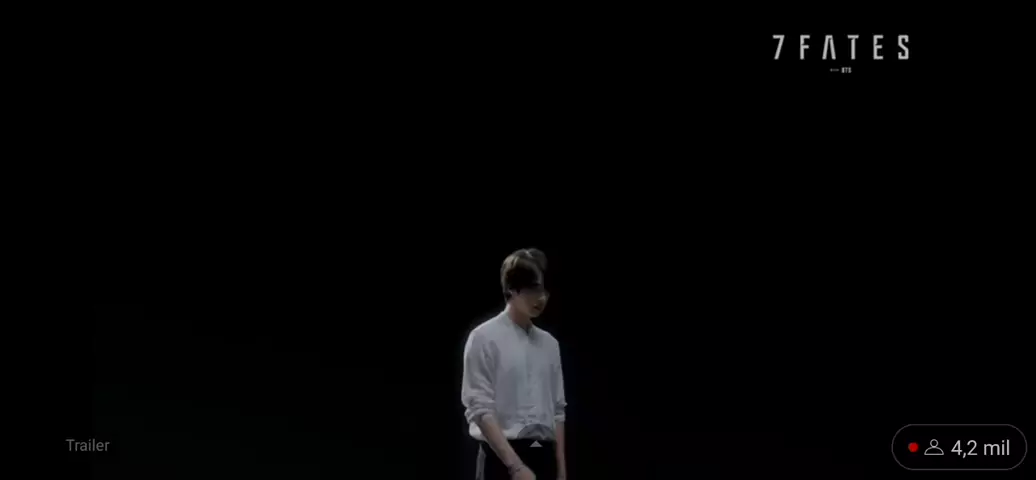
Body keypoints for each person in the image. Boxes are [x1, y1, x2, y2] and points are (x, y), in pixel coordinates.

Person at [461, 248, 567, 480]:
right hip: (500, 457)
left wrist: (561, 469)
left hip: (543, 453)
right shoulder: (483, 337)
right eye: (534, 289)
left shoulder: (550, 344)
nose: (542, 298)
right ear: (512, 288)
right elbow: (479, 407)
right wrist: (515, 466)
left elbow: (557, 411)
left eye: (545, 290)